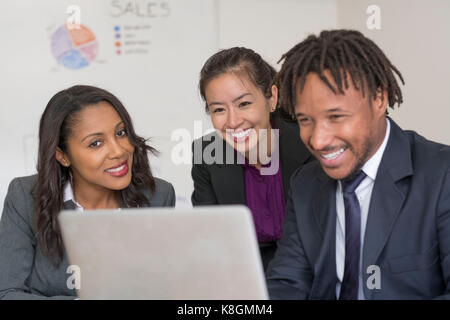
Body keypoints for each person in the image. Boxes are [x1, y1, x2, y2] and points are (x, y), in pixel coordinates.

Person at [266, 29, 450, 300]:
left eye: (336, 116)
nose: (318, 140)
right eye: (306, 120)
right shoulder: (305, 183)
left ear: (379, 99)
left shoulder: (441, 174)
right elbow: (287, 283)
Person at [0, 85, 176, 299]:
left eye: (121, 133)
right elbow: (8, 293)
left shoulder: (158, 196)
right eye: (96, 143)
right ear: (62, 155)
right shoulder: (25, 197)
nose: (119, 150)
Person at [191, 47, 313, 271]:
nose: (233, 121)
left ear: (272, 97)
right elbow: (210, 241)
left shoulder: (311, 143)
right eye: (218, 109)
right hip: (244, 278)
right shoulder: (206, 155)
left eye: (244, 104)